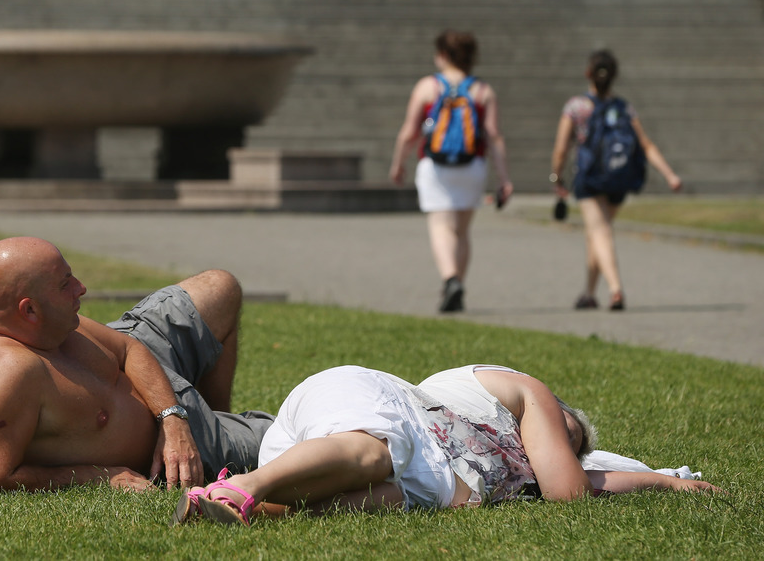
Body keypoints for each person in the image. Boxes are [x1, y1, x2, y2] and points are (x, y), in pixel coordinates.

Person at [172, 364, 722, 526]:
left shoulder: (491, 472)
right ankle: (244, 486)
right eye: (561, 431)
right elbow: (571, 492)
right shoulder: (520, 390)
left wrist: (671, 483)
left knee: (401, 493)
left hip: (326, 457)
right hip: (362, 406)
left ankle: (259, 510)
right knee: (376, 454)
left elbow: (590, 476)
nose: (555, 447)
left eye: (566, 444)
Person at [0, 236, 274, 493]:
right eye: (65, 284)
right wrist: (101, 475)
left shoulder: (43, 324)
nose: (81, 288)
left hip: (158, 385)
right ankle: (219, 437)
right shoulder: (8, 375)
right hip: (170, 439)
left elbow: (127, 348)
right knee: (309, 433)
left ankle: (216, 415)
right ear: (29, 310)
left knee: (221, 287)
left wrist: (172, 418)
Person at [389, 30, 513, 313]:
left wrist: (399, 163)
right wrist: (504, 178)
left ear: (443, 55)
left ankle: (450, 279)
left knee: (440, 225)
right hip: (472, 166)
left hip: (436, 166)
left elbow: (410, 132)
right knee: (462, 230)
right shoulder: (483, 91)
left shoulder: (427, 87)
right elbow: (494, 135)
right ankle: (457, 285)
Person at [551, 50, 683, 311]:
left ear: (588, 73)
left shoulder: (576, 107)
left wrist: (557, 177)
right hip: (619, 178)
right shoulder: (623, 108)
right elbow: (646, 145)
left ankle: (615, 290)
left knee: (600, 232)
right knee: (597, 235)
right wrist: (669, 175)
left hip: (589, 180)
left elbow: (561, 149)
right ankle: (588, 293)